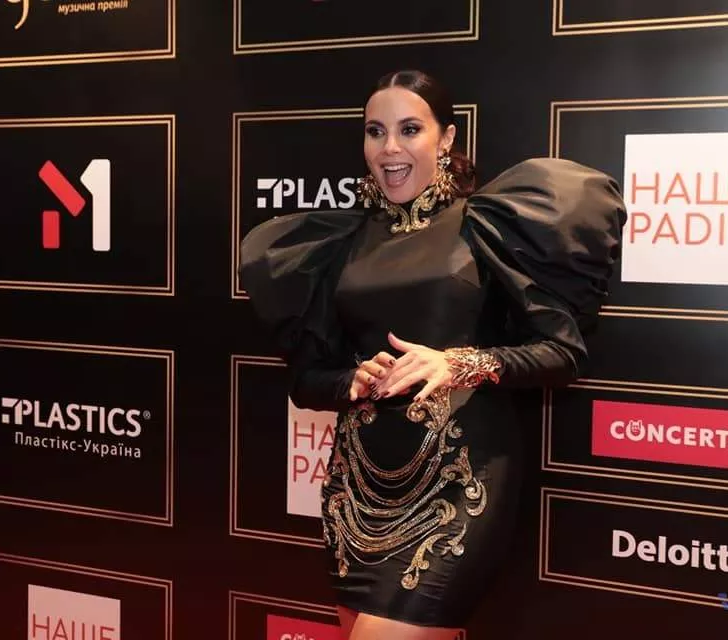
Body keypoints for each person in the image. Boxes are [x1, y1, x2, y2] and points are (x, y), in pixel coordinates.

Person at [239, 69, 627, 640]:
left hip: (458, 486)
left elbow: (562, 353)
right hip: (356, 494)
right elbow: (307, 380)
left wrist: (457, 364)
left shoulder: (486, 227)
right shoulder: (339, 244)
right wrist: (352, 380)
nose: (389, 148)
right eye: (375, 131)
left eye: (409, 129)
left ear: (445, 138)